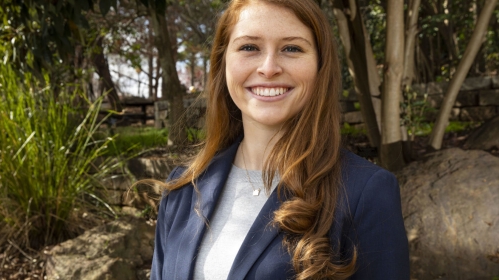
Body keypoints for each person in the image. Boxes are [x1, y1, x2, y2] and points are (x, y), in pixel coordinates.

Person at [149, 0, 409, 279]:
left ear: (320, 66)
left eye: (292, 48)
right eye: (249, 47)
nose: (269, 67)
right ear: (223, 62)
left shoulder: (366, 193)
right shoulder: (183, 189)